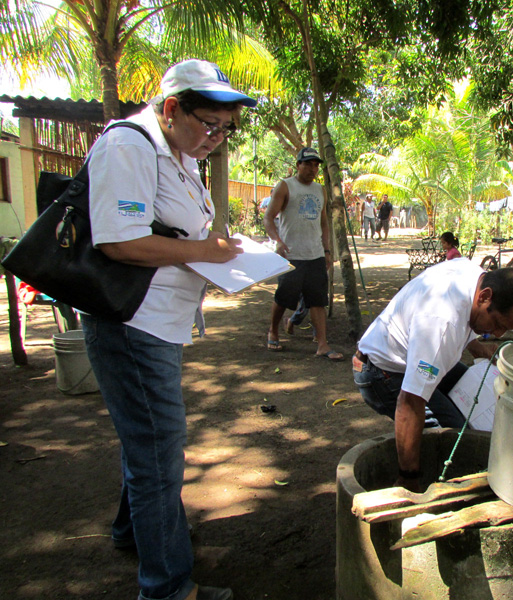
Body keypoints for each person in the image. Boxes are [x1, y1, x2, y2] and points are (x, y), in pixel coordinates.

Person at [83, 59, 253, 600]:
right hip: (133, 326)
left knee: (148, 442)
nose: (217, 139)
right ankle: (167, 588)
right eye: (209, 124)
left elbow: (179, 233)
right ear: (172, 108)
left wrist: (218, 252)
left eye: (226, 129)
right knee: (158, 450)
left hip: (160, 324)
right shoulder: (129, 146)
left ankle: (133, 532)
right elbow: (119, 242)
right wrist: (204, 251)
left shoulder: (176, 153)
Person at [353, 262, 513, 490]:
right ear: (485, 297)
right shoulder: (440, 325)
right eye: (498, 324)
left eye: (507, 330)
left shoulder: (476, 277)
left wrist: (478, 348)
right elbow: (410, 402)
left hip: (414, 354)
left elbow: (466, 320)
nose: (498, 334)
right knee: (459, 439)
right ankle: (417, 482)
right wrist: (408, 477)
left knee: (480, 401)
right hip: (383, 373)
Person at [264, 147, 343, 360]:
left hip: (315, 254)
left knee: (318, 300)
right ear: (298, 164)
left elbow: (324, 223)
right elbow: (268, 217)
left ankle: (323, 344)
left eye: (316, 164)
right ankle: (273, 330)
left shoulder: (320, 190)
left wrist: (326, 250)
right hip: (291, 255)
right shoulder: (285, 186)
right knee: (284, 297)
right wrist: (278, 242)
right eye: (308, 163)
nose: (312, 168)